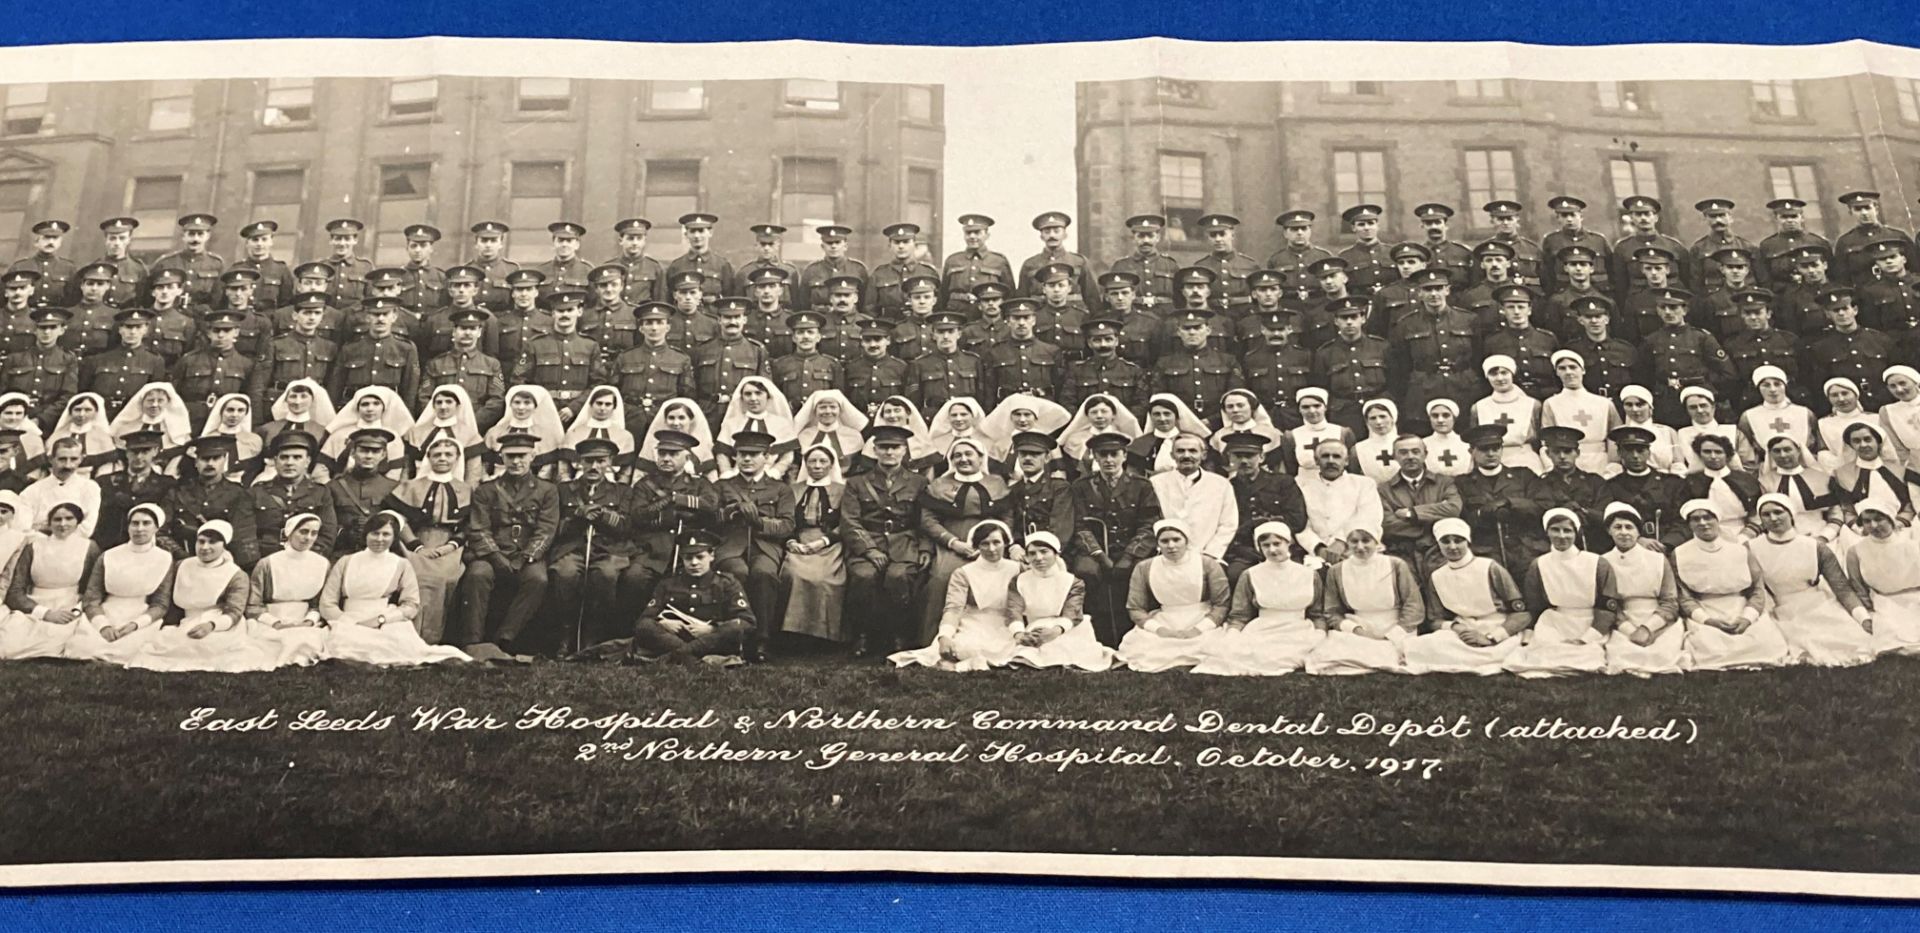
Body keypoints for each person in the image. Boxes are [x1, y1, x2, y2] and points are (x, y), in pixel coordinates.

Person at [455, 430, 558, 662]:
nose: (516, 461)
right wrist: (497, 558)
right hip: (492, 553)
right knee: (477, 574)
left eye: (522, 455)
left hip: (527, 554)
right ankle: (472, 641)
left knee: (538, 580)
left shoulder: (547, 490)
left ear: (533, 456)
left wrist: (524, 558)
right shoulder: (486, 490)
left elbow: (546, 529)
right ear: (501, 458)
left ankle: (504, 639)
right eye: (510, 456)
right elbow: (479, 528)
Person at [319, 511, 469, 665]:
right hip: (348, 618)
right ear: (366, 535)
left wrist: (382, 619)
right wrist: (346, 621)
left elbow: (411, 605)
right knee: (343, 645)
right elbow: (327, 603)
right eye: (375, 533)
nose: (379, 539)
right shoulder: (346, 561)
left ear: (394, 537)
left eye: (386, 534)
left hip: (384, 619)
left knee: (397, 646)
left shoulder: (401, 564)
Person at [126, 520, 272, 673]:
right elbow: (165, 599)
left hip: (221, 622)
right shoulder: (181, 566)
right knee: (167, 645)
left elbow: (234, 611)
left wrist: (211, 625)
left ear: (224, 545)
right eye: (201, 541)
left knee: (213, 647)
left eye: (212, 542)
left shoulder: (236, 574)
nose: (205, 547)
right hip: (186, 621)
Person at [1748, 492, 1874, 667]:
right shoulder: (1752, 548)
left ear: (1791, 515)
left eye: (1778, 512)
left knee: (1846, 638)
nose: (1773, 518)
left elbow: (1842, 588)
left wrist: (1863, 618)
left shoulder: (1815, 547)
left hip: (1817, 603)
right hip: (1780, 608)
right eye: (1766, 514)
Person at [1671, 499, 1793, 671]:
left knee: (1766, 641)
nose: (1703, 523)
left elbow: (1757, 591)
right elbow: (1684, 596)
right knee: (1708, 644)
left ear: (1717, 520)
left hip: (1740, 606)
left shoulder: (1741, 550)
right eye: (1695, 519)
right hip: (1705, 608)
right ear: (1689, 524)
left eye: (1708, 517)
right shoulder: (1680, 554)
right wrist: (1707, 620)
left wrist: (1747, 618)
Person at [841, 424, 930, 655]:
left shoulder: (918, 483)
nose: (889, 452)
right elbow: (850, 521)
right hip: (868, 542)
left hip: (905, 543)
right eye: (883, 447)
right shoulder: (856, 483)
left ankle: (899, 635)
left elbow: (926, 520)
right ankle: (862, 635)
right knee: (863, 576)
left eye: (895, 447)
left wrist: (926, 548)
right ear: (874, 450)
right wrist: (869, 550)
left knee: (898, 577)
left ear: (904, 450)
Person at [1191, 521, 1323, 676]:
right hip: (1264, 629)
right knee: (1244, 654)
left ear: (1289, 542)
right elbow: (1240, 614)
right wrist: (1233, 635)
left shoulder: (1309, 575)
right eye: (1266, 545)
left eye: (1277, 543)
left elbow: (1317, 614)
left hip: (1298, 629)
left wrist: (1320, 634)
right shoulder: (1250, 575)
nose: (1272, 549)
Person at [889, 519, 1022, 671]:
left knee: (1022, 646)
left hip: (1008, 623)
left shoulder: (1018, 569)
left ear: (1005, 543)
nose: (991, 549)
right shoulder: (964, 573)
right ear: (977, 546)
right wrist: (944, 636)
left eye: (996, 542)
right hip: (975, 622)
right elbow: (953, 609)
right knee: (967, 647)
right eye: (984, 543)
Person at [548, 437, 640, 653]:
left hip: (610, 549)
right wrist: (577, 518)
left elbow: (628, 527)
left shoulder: (622, 491)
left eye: (600, 461)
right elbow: (553, 527)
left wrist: (605, 516)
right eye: (588, 461)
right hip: (572, 548)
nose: (594, 467)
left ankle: (593, 634)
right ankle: (567, 633)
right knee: (566, 573)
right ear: (579, 462)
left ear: (610, 463)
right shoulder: (563, 490)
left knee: (606, 575)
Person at [1402, 518, 1529, 675]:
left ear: (1468, 541)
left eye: (1458, 540)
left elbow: (1522, 613)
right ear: (1438, 544)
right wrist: (1458, 628)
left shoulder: (1490, 567)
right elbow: (1435, 620)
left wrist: (1491, 637)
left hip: (1497, 627)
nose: (1452, 546)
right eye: (1445, 541)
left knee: (1504, 649)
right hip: (1462, 632)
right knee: (1423, 645)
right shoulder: (1437, 576)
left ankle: (1487, 652)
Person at [915, 437, 1008, 645]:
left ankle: (991, 639)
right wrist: (953, 542)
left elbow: (1006, 516)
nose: (963, 459)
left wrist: (994, 540)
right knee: (941, 577)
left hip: (990, 540)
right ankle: (934, 639)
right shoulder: (939, 484)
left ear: (980, 457)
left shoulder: (996, 483)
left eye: (969, 454)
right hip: (952, 539)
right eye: (957, 455)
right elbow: (928, 519)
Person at [1503, 508, 1614, 677]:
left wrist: (1587, 637)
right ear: (1547, 532)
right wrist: (1529, 634)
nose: (1561, 536)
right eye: (1555, 530)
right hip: (1554, 621)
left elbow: (1607, 607)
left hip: (1590, 621)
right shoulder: (1539, 564)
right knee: (1542, 652)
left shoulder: (1597, 563)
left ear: (1576, 533)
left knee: (1588, 653)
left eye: (1567, 530)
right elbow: (1534, 606)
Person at [383, 435, 472, 645]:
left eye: (448, 454)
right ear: (428, 457)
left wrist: (451, 545)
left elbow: (469, 523)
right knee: (418, 575)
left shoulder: (466, 489)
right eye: (437, 454)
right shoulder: (411, 486)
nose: (442, 458)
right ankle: (412, 638)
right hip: (415, 540)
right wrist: (417, 546)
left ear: (457, 458)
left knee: (448, 577)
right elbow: (398, 519)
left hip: (450, 544)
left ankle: (435, 637)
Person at [713, 429, 796, 653]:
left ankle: (762, 638)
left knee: (764, 574)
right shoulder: (722, 486)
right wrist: (731, 511)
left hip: (766, 547)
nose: (747, 459)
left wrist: (759, 522)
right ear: (735, 457)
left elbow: (787, 525)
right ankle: (731, 637)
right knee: (736, 572)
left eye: (753, 454)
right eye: (741, 454)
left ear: (767, 457)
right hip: (731, 546)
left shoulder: (780, 489)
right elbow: (710, 518)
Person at [625, 528, 757, 666]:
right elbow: (643, 621)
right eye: (688, 557)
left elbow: (748, 622)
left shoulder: (727, 583)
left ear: (712, 556)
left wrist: (713, 628)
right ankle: (696, 658)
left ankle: (677, 656)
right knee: (646, 626)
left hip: (710, 640)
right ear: (682, 557)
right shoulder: (668, 583)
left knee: (735, 628)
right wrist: (663, 623)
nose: (694, 563)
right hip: (673, 639)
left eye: (700, 557)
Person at [1117, 518, 1231, 672]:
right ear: (1158, 544)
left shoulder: (1207, 564)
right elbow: (1135, 607)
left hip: (1201, 617)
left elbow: (1221, 604)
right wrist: (1159, 630)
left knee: (1212, 644)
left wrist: (1200, 628)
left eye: (1176, 540)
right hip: (1165, 619)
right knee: (1144, 645)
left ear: (1186, 541)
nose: (1171, 546)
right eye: (1165, 541)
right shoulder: (1144, 567)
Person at [65, 502, 174, 664]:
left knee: (134, 651)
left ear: (156, 529)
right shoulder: (109, 555)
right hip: (106, 611)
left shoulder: (164, 559)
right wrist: (103, 625)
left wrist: (135, 625)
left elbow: (161, 603)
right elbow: (92, 597)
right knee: (83, 648)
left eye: (146, 523)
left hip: (141, 615)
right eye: (134, 523)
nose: (139, 528)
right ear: (128, 527)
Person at [1306, 528, 1425, 675]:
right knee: (1331, 654)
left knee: (1398, 650)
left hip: (1396, 625)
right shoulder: (1336, 570)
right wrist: (1357, 630)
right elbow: (1332, 611)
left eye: (1366, 541)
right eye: (1354, 541)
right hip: (1360, 626)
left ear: (1376, 541)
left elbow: (1414, 606)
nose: (1360, 547)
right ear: (1347, 544)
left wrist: (1393, 634)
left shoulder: (1396, 565)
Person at [1593, 503, 1685, 676]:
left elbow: (1670, 602)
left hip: (1658, 618)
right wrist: (1630, 630)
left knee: (1663, 653)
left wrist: (1648, 628)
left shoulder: (1658, 560)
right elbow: (1608, 605)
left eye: (1629, 527)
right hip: (1623, 620)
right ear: (1609, 531)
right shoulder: (1603, 562)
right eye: (1617, 527)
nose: (1624, 532)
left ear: (1638, 532)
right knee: (1622, 654)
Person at [1006, 530, 1116, 671]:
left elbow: (1072, 612)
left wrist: (1056, 631)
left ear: (1056, 554)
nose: (1038, 558)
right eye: (1032, 553)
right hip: (1036, 627)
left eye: (1044, 552)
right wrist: (1019, 634)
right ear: (1026, 557)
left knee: (1066, 648)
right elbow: (1013, 609)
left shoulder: (1072, 582)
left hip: (1068, 627)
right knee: (1027, 651)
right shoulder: (1019, 581)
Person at [0, 501, 98, 659]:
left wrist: (75, 610)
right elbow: (15, 590)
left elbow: (92, 588)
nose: (63, 524)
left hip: (69, 604)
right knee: (9, 643)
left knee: (56, 639)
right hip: (35, 605)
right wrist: (44, 613)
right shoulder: (33, 547)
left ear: (78, 522)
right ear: (49, 523)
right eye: (57, 519)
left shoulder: (88, 547)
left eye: (69, 518)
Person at [779, 442, 848, 648]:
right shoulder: (792, 489)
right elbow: (785, 519)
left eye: (823, 461)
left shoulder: (843, 490)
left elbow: (847, 522)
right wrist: (790, 541)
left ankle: (823, 637)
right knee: (792, 573)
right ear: (805, 464)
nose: (817, 466)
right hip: (799, 541)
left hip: (830, 543)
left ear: (831, 464)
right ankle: (793, 635)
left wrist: (824, 541)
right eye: (812, 461)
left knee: (826, 578)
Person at [243, 512, 330, 668]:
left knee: (308, 640)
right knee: (276, 643)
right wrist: (276, 623)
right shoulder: (267, 564)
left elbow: (320, 603)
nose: (308, 538)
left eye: (314, 533)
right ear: (290, 532)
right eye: (303, 531)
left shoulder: (322, 564)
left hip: (306, 622)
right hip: (272, 620)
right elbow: (253, 605)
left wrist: (309, 621)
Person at [1845, 499, 1920, 658]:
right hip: (1885, 601)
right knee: (1893, 639)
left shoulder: (1912, 545)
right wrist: (1869, 610)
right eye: (1866, 521)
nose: (1873, 525)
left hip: (1916, 598)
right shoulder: (1856, 551)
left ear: (1890, 519)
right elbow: (1858, 585)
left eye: (1879, 519)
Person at [1149, 433, 1238, 561]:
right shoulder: (1156, 483)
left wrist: (1210, 554)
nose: (1186, 456)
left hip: (1208, 556)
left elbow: (1228, 524)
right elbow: (1150, 521)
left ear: (1203, 455)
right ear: (1172, 455)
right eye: (1180, 451)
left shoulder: (1221, 484)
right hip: (1166, 555)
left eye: (1192, 451)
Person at [249, 430, 337, 559]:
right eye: (284, 457)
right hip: (266, 559)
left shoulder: (320, 493)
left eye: (297, 457)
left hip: (307, 560)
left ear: (307, 461)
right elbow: (246, 534)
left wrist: (307, 559)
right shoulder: (257, 492)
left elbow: (327, 535)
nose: (289, 463)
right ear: (275, 461)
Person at [1295, 438, 1384, 562]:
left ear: (1346, 461)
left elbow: (1369, 518)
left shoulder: (1364, 484)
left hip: (1355, 549)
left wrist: (1341, 542)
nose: (1331, 461)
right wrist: (1318, 548)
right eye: (1325, 456)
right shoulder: (1301, 485)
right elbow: (1299, 523)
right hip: (1313, 554)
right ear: (1316, 460)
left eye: (1336, 456)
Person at [327, 427, 400, 554]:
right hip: (343, 552)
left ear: (383, 455)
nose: (369, 456)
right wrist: (346, 531)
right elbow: (326, 526)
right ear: (353, 452)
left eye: (375, 451)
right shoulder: (333, 486)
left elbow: (401, 527)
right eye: (364, 451)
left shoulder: (393, 487)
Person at [714, 375, 797, 480]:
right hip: (736, 478)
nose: (753, 398)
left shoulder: (782, 423)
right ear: (742, 397)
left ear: (768, 396)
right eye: (748, 394)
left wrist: (776, 472)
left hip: (771, 478)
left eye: (758, 393)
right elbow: (722, 453)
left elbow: (787, 456)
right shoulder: (731, 423)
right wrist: (726, 473)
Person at [320, 385, 411, 480]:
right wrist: (331, 490)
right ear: (357, 407)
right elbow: (321, 469)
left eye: (376, 404)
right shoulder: (340, 434)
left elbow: (395, 472)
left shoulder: (393, 437)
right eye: (365, 404)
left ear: (384, 407)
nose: (370, 409)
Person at [21, 436, 101, 538]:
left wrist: (43, 527)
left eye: (74, 459)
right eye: (62, 459)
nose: (68, 465)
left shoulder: (90, 488)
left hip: (76, 546)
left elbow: (87, 528)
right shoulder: (32, 491)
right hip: (40, 546)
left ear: (81, 459)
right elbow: (24, 529)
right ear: (51, 459)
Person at [254, 379, 336, 478]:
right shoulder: (267, 429)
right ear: (285, 399)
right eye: (293, 396)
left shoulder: (322, 432)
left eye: (304, 396)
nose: (298, 402)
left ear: (313, 399)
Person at [407, 384, 488, 483]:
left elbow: (473, 474)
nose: (443, 407)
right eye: (439, 402)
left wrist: (466, 494)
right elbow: (407, 469)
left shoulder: (470, 435)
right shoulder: (417, 432)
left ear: (458, 405)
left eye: (449, 402)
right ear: (433, 405)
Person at [484, 384, 566, 475]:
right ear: (510, 404)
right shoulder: (495, 432)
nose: (521, 407)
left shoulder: (547, 435)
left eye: (527, 403)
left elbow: (547, 473)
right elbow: (485, 468)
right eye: (517, 402)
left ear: (536, 406)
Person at [108, 382, 194, 469]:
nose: (155, 405)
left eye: (160, 401)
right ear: (141, 402)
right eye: (150, 400)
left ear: (168, 402)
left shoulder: (178, 427)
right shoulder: (126, 426)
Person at [1129, 394, 1210, 477]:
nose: (1162, 419)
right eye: (1157, 414)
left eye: (1167, 414)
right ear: (1151, 417)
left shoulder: (1194, 441)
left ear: (1176, 416)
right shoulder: (1139, 444)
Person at [1058, 392, 1142, 471]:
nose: (1099, 416)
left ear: (1113, 415)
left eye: (1104, 411)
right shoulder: (1074, 440)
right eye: (1094, 412)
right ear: (1087, 415)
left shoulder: (1124, 439)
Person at [792, 388, 868, 472]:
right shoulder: (804, 436)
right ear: (815, 411)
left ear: (840, 410)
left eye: (833, 407)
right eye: (822, 407)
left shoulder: (854, 436)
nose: (828, 411)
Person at [46, 393, 117, 476]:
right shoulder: (58, 434)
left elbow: (107, 466)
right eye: (77, 410)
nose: (81, 414)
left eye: (87, 410)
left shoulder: (102, 436)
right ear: (70, 411)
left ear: (96, 412)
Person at [199, 392, 264, 482]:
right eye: (230, 410)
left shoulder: (254, 440)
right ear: (221, 411)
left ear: (246, 413)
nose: (234, 415)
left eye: (240, 410)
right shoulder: (208, 438)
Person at [1352, 398, 1403, 484]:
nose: (1378, 422)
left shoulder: (1406, 444)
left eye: (1382, 416)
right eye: (1373, 418)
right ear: (1367, 422)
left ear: (1392, 418)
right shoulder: (1358, 449)